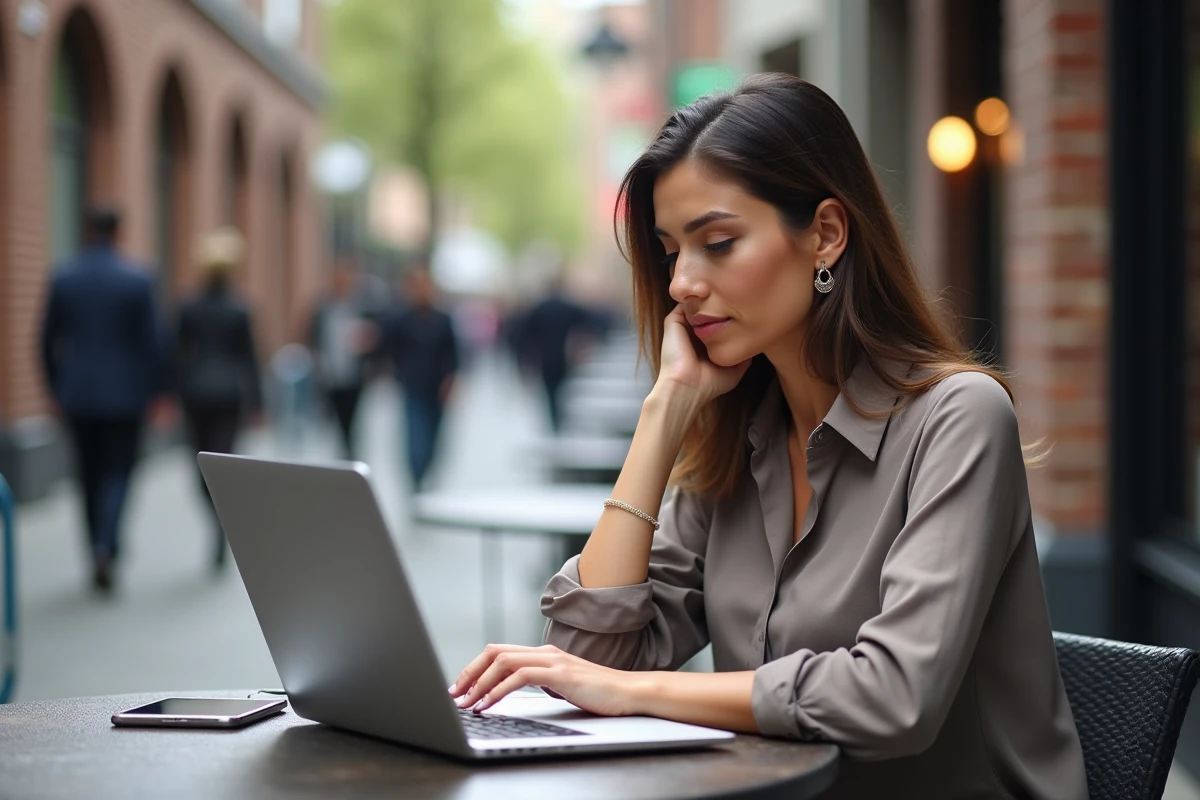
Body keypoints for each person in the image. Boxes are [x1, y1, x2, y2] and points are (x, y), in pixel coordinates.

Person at [448, 75, 1088, 798]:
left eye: (718, 243)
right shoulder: (737, 433)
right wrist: (664, 415)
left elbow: (892, 699)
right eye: (669, 252)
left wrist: (638, 693)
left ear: (825, 234)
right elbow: (588, 657)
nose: (683, 282)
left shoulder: (958, 419)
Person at [40, 205, 168, 593]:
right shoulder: (137, 279)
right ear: (120, 232)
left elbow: (45, 341)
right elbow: (154, 343)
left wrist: (55, 388)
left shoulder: (65, 277)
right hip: (126, 396)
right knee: (119, 473)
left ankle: (94, 547)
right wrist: (159, 390)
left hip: (78, 393)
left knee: (87, 474)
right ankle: (106, 545)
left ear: (88, 230)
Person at [174, 228, 263, 570]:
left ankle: (216, 524)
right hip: (228, 395)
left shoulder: (189, 307)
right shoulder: (240, 308)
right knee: (221, 462)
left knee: (201, 466)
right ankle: (220, 524)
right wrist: (257, 402)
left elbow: (177, 353)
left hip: (196, 393)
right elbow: (249, 358)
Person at [378, 265, 459, 490]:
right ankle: (416, 479)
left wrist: (452, 381)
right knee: (415, 439)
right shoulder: (400, 319)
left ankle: (426, 474)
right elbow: (386, 347)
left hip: (437, 388)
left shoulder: (443, 319)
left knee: (434, 438)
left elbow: (452, 354)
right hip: (412, 386)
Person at [308, 256, 375, 459]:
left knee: (352, 421)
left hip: (354, 375)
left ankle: (350, 454)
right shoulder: (322, 309)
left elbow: (374, 339)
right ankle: (344, 453)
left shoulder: (361, 308)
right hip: (330, 375)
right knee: (334, 419)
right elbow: (311, 336)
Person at [512, 273, 597, 432]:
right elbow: (588, 326)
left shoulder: (538, 308)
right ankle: (561, 422)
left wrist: (525, 362)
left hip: (545, 359)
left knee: (550, 393)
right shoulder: (569, 307)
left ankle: (554, 424)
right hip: (565, 357)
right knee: (564, 391)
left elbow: (524, 337)